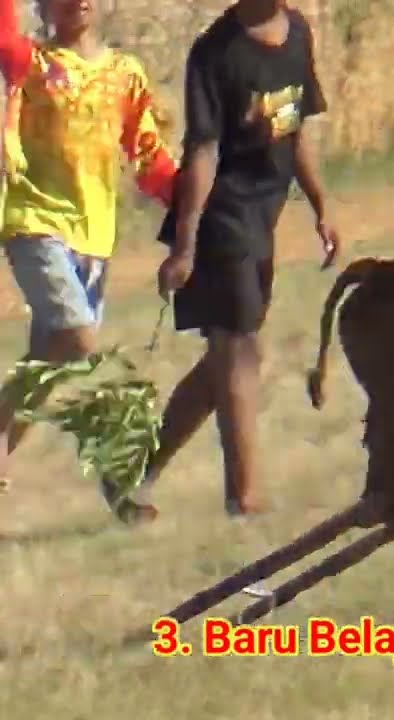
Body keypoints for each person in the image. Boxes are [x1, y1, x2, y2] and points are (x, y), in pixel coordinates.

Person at [134, 0, 338, 522]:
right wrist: (185, 244)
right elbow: (203, 152)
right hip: (221, 214)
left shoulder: (297, 34)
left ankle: (135, 472)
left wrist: (321, 207)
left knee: (224, 364)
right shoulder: (214, 52)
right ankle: (243, 499)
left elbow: (295, 129)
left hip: (262, 214)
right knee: (240, 349)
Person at [0, 0, 177, 514]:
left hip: (94, 238)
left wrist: (191, 202)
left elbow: (149, 156)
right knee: (81, 339)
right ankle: (120, 477)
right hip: (35, 223)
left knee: (47, 366)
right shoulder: (29, 62)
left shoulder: (125, 74)